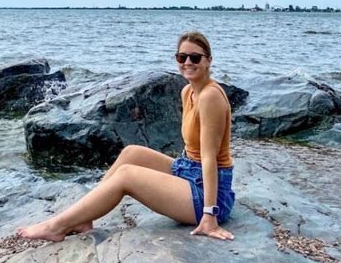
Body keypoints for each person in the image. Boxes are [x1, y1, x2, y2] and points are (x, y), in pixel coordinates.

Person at [17, 31, 235, 242]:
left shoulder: (210, 96)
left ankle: (56, 227)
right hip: (188, 171)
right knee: (131, 153)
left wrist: (210, 216)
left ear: (208, 60)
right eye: (182, 57)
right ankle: (83, 218)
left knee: (126, 175)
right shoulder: (188, 91)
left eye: (195, 57)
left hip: (209, 195)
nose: (188, 62)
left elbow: (209, 158)